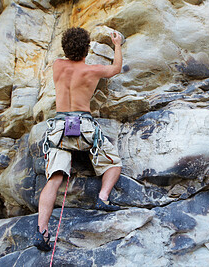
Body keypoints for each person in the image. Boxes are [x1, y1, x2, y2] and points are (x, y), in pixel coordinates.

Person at [33, 27, 124, 251]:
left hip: (59, 129)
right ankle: (102, 197)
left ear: (65, 48)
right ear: (87, 49)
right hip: (83, 128)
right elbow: (116, 68)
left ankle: (42, 231)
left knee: (54, 179)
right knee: (114, 163)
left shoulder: (57, 65)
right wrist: (117, 45)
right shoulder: (92, 70)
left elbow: (67, 57)